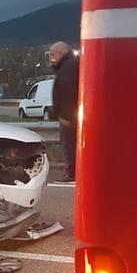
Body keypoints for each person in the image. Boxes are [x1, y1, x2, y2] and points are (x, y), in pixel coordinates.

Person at [48, 41, 79, 183]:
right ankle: (74, 170)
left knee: (69, 143)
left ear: (61, 53)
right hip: (73, 114)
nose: (50, 58)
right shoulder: (71, 65)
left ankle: (72, 172)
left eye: (52, 55)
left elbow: (67, 93)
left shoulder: (67, 69)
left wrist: (65, 115)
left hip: (69, 117)